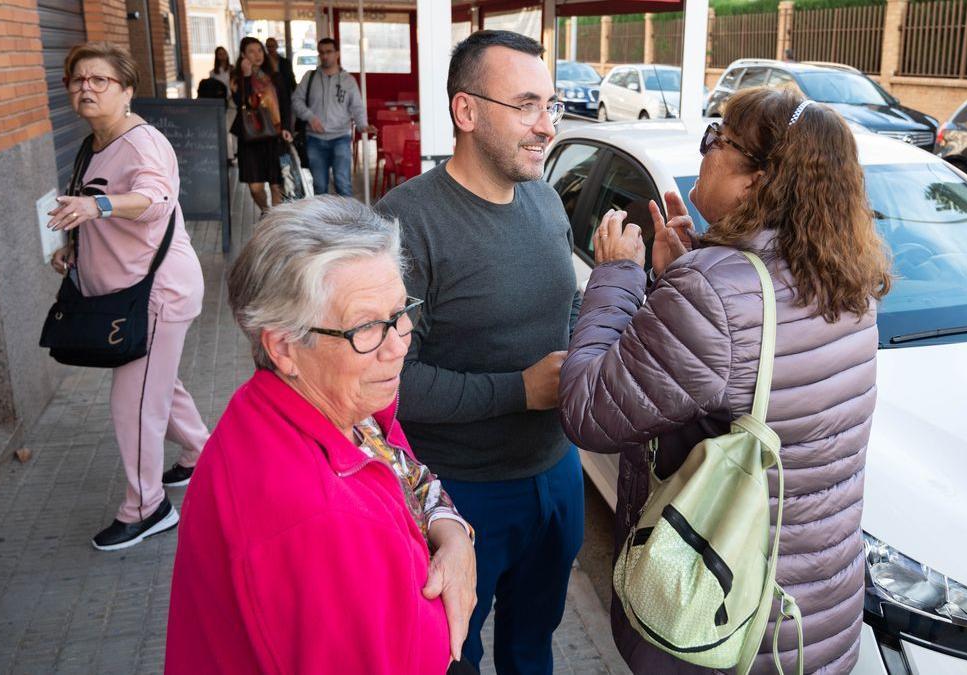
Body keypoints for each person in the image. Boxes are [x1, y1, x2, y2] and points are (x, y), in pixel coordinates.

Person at [558, 87, 892, 674]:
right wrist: (680, 278)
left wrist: (615, 277)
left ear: (760, 179)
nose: (704, 147)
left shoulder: (716, 291)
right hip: (814, 618)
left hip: (723, 618)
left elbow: (588, 410)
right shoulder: (846, 273)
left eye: (718, 138)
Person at [166, 198, 477, 674]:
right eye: (367, 326)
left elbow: (407, 475)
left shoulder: (323, 408)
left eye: (400, 311)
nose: (398, 345)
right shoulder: (317, 519)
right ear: (284, 346)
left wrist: (454, 538)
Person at [376, 30, 580, 674]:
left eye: (551, 105)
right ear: (466, 112)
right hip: (457, 498)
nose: (546, 126)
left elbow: (567, 312)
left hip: (557, 475)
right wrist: (519, 390)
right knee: (448, 655)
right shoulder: (405, 224)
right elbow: (387, 381)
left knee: (533, 646)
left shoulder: (547, 202)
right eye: (526, 105)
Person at [45, 41, 209, 551]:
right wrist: (75, 246)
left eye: (100, 80)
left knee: (134, 403)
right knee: (159, 387)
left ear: (127, 90)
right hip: (124, 297)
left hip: (154, 293)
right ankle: (205, 455)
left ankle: (147, 507)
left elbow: (156, 200)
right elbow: (97, 211)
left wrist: (99, 208)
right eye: (78, 80)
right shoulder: (94, 142)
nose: (86, 88)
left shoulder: (141, 144)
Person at [293, 37, 373, 197]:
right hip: (315, 139)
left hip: (341, 138)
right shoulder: (310, 77)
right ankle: (322, 221)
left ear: (337, 54)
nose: (325, 56)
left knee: (343, 184)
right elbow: (296, 100)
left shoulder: (348, 80)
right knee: (319, 186)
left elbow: (356, 106)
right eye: (321, 52)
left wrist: (363, 124)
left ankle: (349, 221)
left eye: (328, 52)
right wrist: (310, 117)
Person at [231, 36, 292, 214]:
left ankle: (275, 223)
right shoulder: (237, 79)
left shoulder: (275, 76)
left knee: (276, 185)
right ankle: (266, 212)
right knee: (255, 188)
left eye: (259, 50)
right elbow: (242, 102)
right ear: (243, 55)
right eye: (251, 51)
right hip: (251, 138)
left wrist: (287, 128)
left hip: (275, 136)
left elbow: (286, 103)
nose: (257, 55)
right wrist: (248, 76)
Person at [266, 36, 297, 102]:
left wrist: (296, 93)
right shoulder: (263, 63)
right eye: (268, 46)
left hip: (284, 95)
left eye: (272, 46)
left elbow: (291, 78)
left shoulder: (285, 62)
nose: (271, 49)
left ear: (276, 46)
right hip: (269, 96)